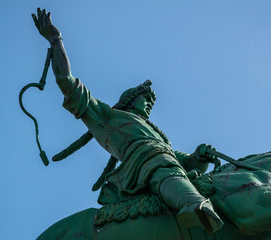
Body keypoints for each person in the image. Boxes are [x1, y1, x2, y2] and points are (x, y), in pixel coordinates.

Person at [32, 8, 223, 232]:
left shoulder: (158, 136)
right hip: (144, 165)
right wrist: (56, 39)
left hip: (164, 160)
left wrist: (199, 155)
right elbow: (67, 83)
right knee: (164, 167)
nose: (150, 103)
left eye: (152, 101)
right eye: (146, 98)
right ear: (130, 100)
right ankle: (193, 205)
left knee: (171, 164)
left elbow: (183, 160)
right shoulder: (110, 118)